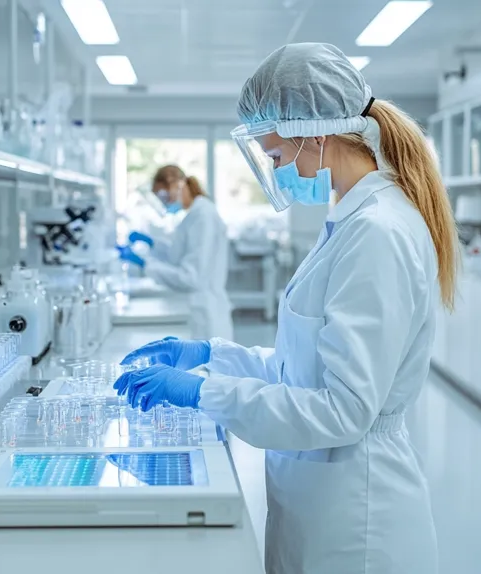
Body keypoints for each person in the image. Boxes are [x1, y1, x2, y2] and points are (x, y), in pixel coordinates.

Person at [113, 43, 458, 574]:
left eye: (275, 157)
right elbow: (303, 369)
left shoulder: (377, 232)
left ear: (314, 135)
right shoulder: (351, 218)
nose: (275, 172)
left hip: (357, 519)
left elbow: (343, 409)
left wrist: (205, 392)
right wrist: (212, 355)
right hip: (319, 498)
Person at [119, 166, 234, 340]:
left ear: (178, 184)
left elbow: (190, 277)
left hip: (207, 314)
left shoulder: (203, 216)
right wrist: (152, 243)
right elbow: (178, 256)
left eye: (164, 195)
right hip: (201, 308)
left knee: (210, 356)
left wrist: (146, 265)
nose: (164, 202)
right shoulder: (194, 215)